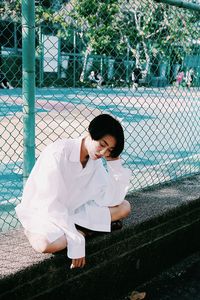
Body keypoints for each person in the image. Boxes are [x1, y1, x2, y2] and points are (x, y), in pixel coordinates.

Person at [15, 114, 132, 269]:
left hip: (73, 213)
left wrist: (114, 163)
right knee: (45, 245)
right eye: (102, 144)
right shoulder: (58, 153)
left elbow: (111, 199)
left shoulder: (95, 159)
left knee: (124, 207)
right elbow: (49, 204)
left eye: (109, 150)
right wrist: (76, 239)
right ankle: (84, 231)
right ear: (90, 133)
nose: (103, 152)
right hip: (46, 213)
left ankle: (82, 231)